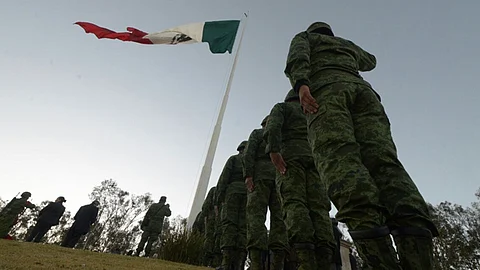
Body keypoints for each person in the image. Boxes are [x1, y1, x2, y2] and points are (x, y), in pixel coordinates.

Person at [284, 21, 438, 269]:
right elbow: (371, 61)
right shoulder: (347, 45)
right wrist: (347, 51)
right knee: (387, 166)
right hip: (364, 94)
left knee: (340, 164)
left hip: (326, 92)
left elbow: (297, 57)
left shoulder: (305, 37)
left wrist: (301, 84)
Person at [263, 90, 335, 269]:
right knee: (319, 208)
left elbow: (272, 128)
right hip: (315, 160)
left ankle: (306, 261)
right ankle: (325, 261)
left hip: (290, 159)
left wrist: (273, 150)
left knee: (295, 203)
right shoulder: (312, 110)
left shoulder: (282, 108)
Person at [244, 116, 288, 270]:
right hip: (279, 177)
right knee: (280, 220)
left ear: (263, 124)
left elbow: (248, 154)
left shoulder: (257, 134)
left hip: (260, 178)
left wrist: (248, 175)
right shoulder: (281, 135)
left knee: (256, 217)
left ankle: (256, 264)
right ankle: (277, 264)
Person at [214, 141, 248, 270]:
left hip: (233, 192)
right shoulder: (252, 159)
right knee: (243, 227)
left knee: (229, 225)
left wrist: (219, 199)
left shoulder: (234, 159)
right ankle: (239, 264)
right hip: (248, 193)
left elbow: (224, 179)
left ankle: (226, 264)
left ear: (239, 149)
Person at [202, 186, 217, 266]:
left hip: (212, 218)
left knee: (209, 238)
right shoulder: (228, 188)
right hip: (225, 219)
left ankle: (205, 261)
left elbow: (206, 205)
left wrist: (204, 216)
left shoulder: (214, 190)